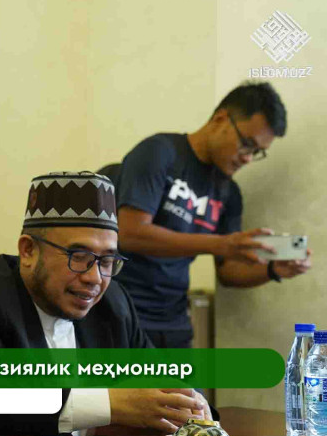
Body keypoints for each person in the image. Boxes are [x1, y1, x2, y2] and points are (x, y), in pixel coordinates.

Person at [0, 172, 210, 436]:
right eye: (79, 256)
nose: (94, 278)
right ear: (28, 250)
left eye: (107, 261)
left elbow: (160, 373)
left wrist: (191, 400)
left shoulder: (113, 303)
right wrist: (110, 404)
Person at [113, 82, 312, 348]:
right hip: (121, 314)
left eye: (257, 152)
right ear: (220, 119)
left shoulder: (229, 193)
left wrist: (272, 269)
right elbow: (130, 233)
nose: (248, 158)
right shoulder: (159, 152)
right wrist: (220, 243)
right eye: (247, 144)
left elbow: (228, 272)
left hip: (174, 321)